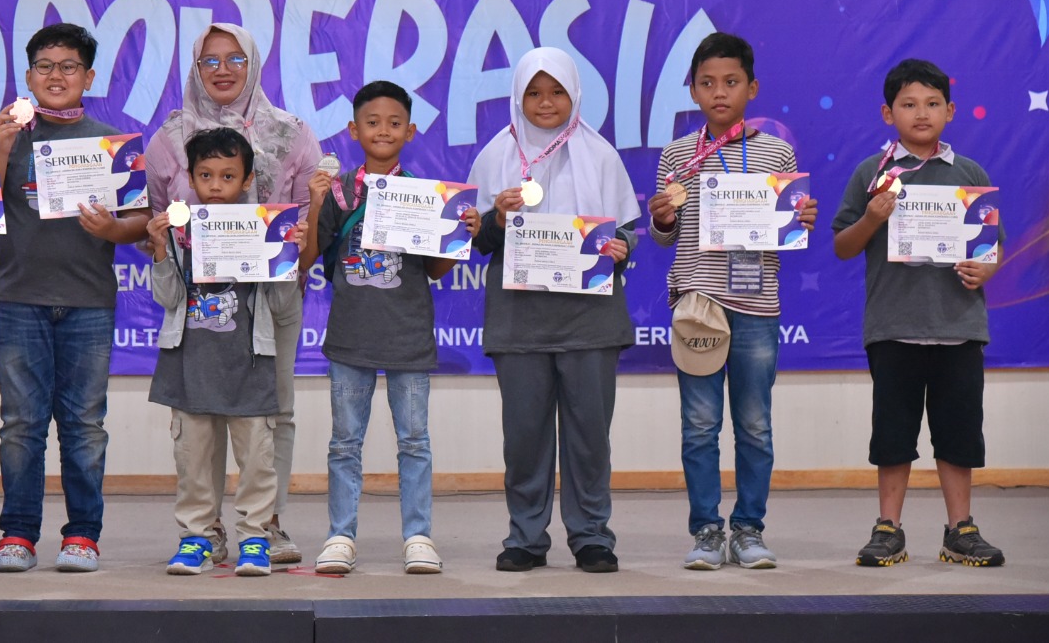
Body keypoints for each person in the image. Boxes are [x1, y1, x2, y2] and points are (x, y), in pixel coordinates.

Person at [143, 22, 320, 563]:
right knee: (198, 425)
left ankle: (264, 527)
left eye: (235, 59)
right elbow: (158, 215)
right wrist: (161, 244)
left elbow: (310, 220)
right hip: (195, 314)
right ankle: (204, 531)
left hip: (267, 305)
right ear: (196, 68)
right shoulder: (170, 137)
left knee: (268, 415)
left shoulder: (292, 132)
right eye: (210, 60)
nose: (223, 70)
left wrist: (292, 247)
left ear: (254, 64)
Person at [0, 23, 148, 573]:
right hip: (18, 298)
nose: (56, 75)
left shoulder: (111, 142)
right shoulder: (7, 134)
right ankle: (18, 534)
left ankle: (83, 536)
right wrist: (0, 146)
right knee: (20, 425)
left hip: (88, 301)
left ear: (88, 77)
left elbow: (141, 220)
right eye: (45, 66)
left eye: (69, 66)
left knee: (84, 426)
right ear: (29, 76)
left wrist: (112, 230)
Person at [647, 32, 818, 570]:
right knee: (699, 426)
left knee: (755, 426)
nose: (719, 92)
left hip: (755, 306)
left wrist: (799, 219)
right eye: (707, 83)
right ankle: (705, 531)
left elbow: (786, 229)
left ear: (752, 88)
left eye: (731, 82)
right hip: (697, 303)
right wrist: (661, 218)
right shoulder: (678, 155)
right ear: (693, 91)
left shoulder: (775, 152)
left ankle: (748, 529)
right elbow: (665, 236)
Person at [468, 49, 641, 573]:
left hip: (591, 321)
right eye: (534, 93)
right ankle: (526, 537)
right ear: (518, 97)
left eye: (557, 92)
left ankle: (591, 536)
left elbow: (625, 231)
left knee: (590, 439)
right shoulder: (496, 155)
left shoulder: (601, 154)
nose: (546, 103)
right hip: (519, 320)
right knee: (524, 439)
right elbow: (476, 240)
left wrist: (622, 248)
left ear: (575, 95)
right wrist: (498, 219)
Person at [299, 81, 480, 575]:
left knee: (415, 441)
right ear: (354, 130)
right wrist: (314, 203)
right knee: (344, 444)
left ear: (411, 131)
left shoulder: (426, 196)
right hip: (350, 336)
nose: (383, 130)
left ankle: (418, 536)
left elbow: (435, 270)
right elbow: (307, 259)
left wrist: (459, 235)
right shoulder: (338, 192)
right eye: (373, 122)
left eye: (394, 123)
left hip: (408, 336)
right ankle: (340, 536)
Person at [831, 58, 1005, 568]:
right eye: (908, 104)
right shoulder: (872, 173)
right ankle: (888, 528)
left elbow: (992, 246)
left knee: (958, 434)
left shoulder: (969, 173)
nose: (921, 113)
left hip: (959, 328)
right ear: (889, 113)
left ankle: (960, 529)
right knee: (893, 435)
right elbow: (843, 245)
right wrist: (871, 217)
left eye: (932, 103)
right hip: (894, 328)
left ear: (951, 111)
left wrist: (985, 269)